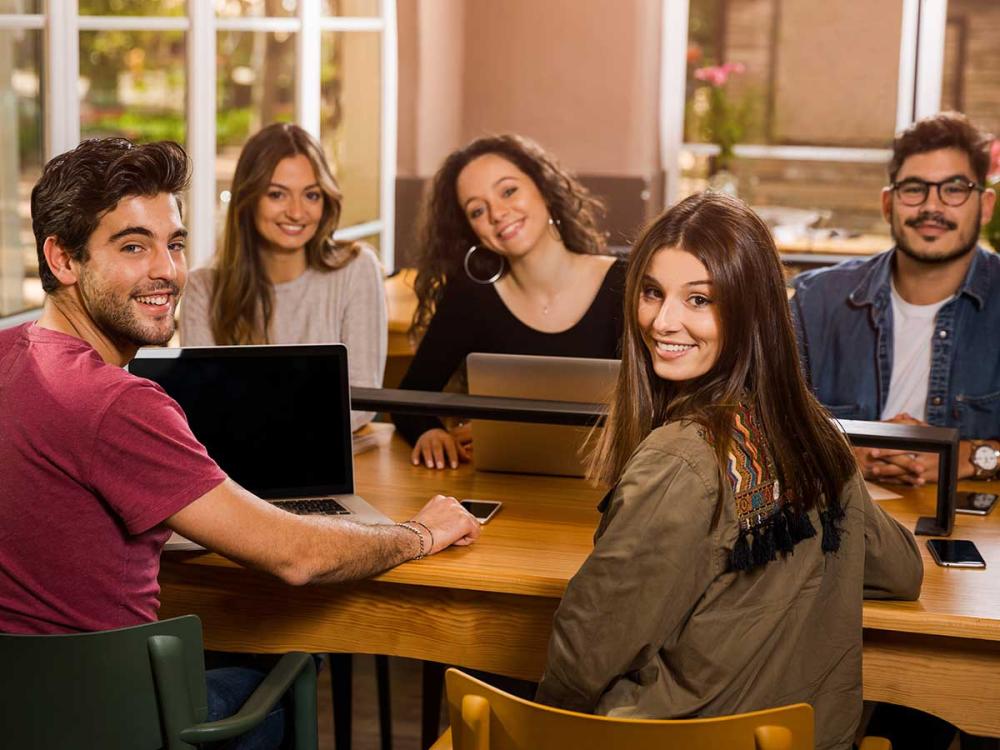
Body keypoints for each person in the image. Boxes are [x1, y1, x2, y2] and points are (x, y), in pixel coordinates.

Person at [0, 138, 480, 749]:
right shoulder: (118, 404)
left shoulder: (8, 354)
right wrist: (421, 533)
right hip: (117, 721)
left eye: (173, 243)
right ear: (62, 260)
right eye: (132, 246)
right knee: (296, 660)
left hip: (21, 713)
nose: (166, 270)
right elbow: (295, 558)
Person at [535, 192, 923, 750]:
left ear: (751, 311)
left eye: (699, 299)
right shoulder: (814, 437)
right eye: (652, 292)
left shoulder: (680, 462)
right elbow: (901, 571)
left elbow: (587, 653)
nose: (663, 321)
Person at [792, 112, 1000, 487]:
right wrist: (844, 454)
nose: (931, 207)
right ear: (888, 204)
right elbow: (759, 421)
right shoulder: (815, 303)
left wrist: (966, 457)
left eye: (954, 189)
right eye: (914, 189)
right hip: (840, 520)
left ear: (985, 206)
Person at [393, 134, 625, 469]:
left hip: (610, 490)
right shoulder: (471, 297)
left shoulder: (627, 283)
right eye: (477, 210)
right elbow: (407, 400)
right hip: (506, 489)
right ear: (471, 230)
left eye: (508, 191)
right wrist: (430, 432)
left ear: (544, 188)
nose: (498, 213)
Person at [180, 122, 386, 431]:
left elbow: (361, 402)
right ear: (247, 200)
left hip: (331, 456)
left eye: (311, 195)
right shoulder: (202, 287)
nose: (297, 212)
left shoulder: (357, 268)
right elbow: (206, 405)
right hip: (235, 464)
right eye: (277, 195)